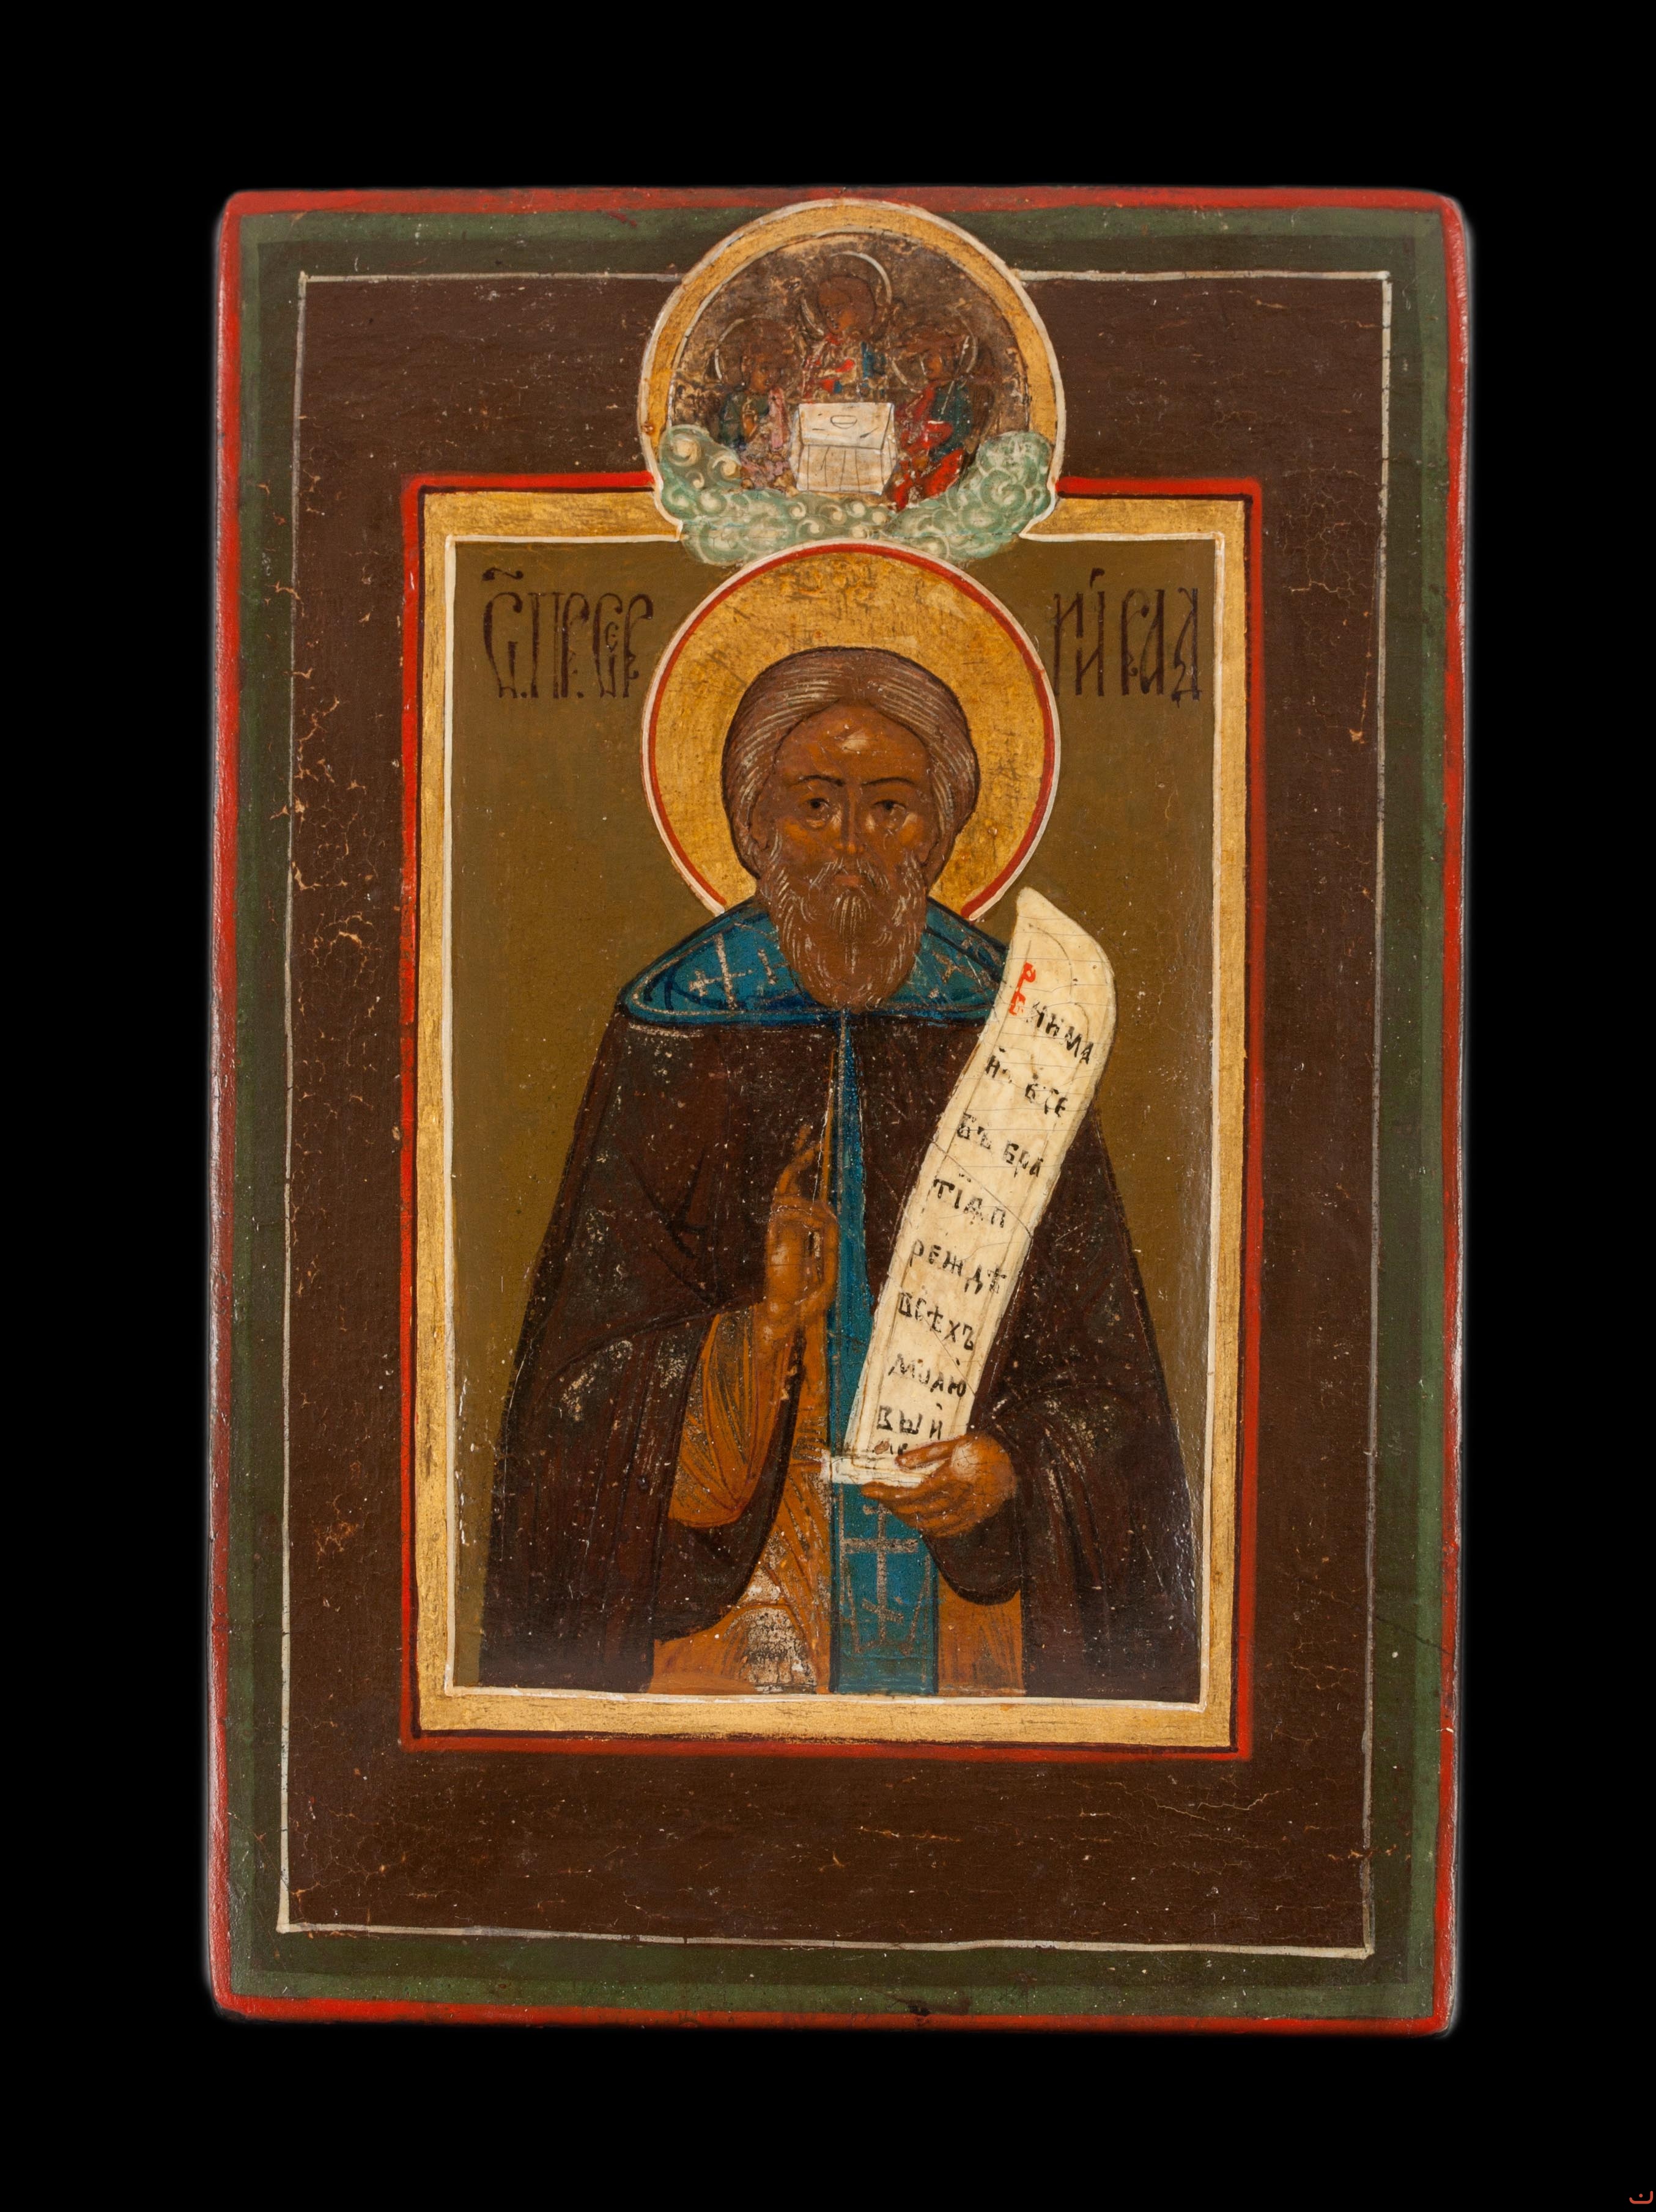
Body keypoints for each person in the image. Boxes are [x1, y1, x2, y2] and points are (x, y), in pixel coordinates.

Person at [480, 647, 1197, 1700]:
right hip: (739, 1628)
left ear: (940, 832)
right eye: (815, 804)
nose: (852, 844)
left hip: (970, 1632)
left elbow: (1112, 1395)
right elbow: (572, 1408)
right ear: (753, 827)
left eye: (891, 806)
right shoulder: (676, 1027)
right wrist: (759, 1332)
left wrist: (1010, 1464)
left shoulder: (1013, 1028)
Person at [887, 328, 975, 509]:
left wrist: (931, 456)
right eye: (923, 358)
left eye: (931, 357)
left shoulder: (957, 396)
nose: (925, 363)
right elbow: (908, 419)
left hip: (944, 464)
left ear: (948, 359)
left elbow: (959, 434)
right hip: (917, 462)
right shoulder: (926, 394)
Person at [713, 320, 796, 489]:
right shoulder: (736, 401)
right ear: (748, 366)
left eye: (776, 370)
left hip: (777, 465)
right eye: (764, 369)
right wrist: (748, 435)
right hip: (744, 466)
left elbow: (787, 432)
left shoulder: (776, 396)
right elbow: (729, 445)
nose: (771, 376)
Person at [801, 276, 887, 401]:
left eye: (838, 311)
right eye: (826, 312)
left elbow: (875, 379)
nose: (831, 317)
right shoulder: (822, 349)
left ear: (857, 309)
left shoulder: (866, 348)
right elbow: (811, 382)